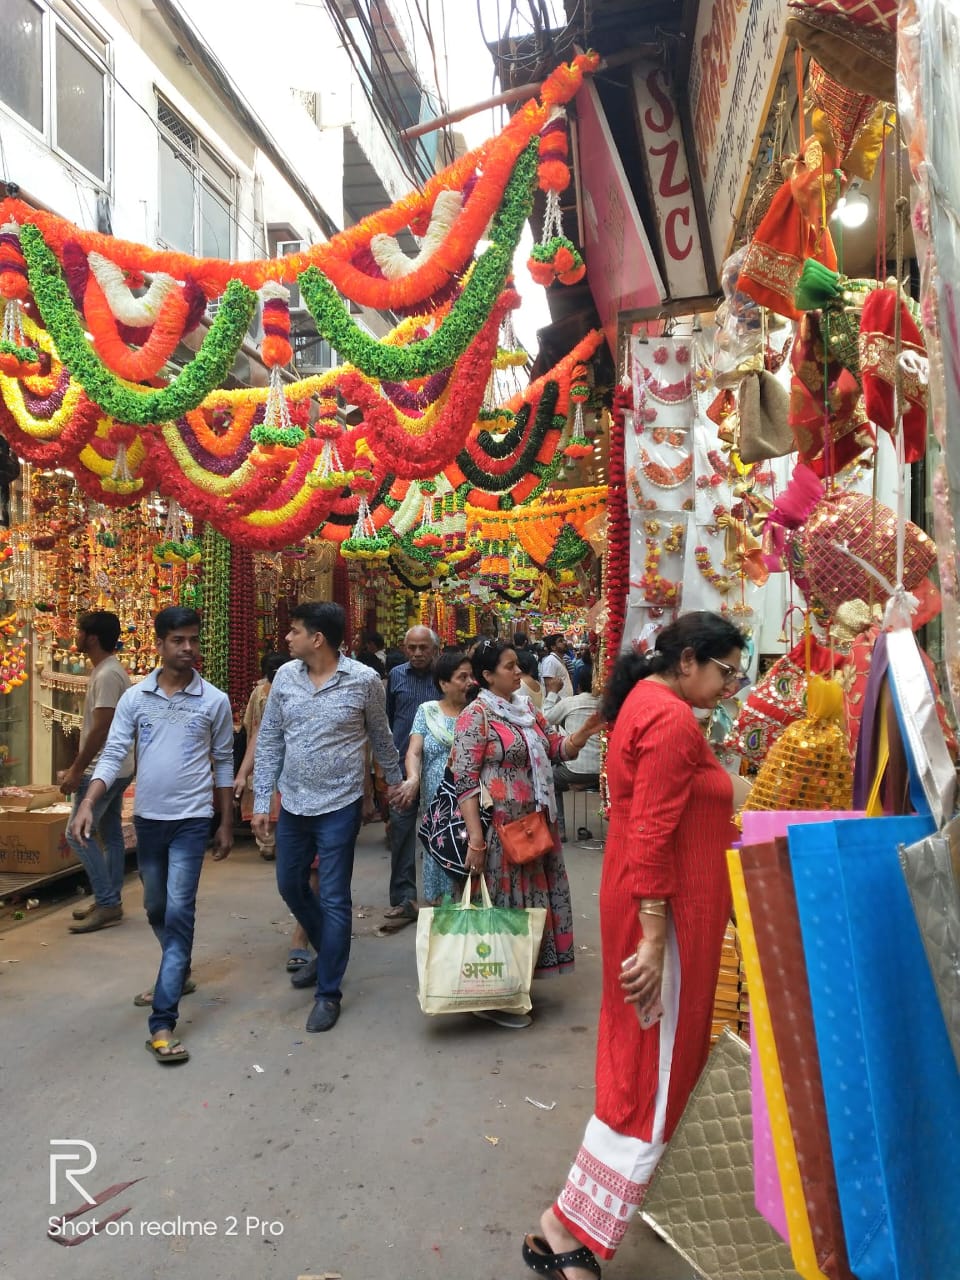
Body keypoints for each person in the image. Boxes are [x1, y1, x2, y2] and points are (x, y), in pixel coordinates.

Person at [522, 612, 746, 1279]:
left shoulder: (652, 703)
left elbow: (673, 810)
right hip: (664, 917)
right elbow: (650, 833)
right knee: (652, 1074)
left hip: (662, 910)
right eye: (726, 671)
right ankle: (565, 1226)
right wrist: (653, 941)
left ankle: (583, 1216)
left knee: (646, 1064)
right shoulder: (673, 720)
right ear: (687, 661)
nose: (732, 684)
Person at [70, 607, 235, 1066]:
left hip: (191, 821)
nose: (189, 649)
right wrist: (88, 801)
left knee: (180, 911)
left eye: (194, 640)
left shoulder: (213, 701)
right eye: (179, 640)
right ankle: (176, 972)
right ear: (160, 643)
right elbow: (114, 753)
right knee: (154, 906)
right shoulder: (136, 699)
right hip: (149, 821)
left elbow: (222, 763)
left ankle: (162, 1022)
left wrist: (224, 821)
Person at [252, 602, 403, 1033]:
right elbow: (270, 742)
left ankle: (329, 991)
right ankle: (329, 953)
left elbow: (380, 734)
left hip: (340, 804)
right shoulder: (284, 678)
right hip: (294, 803)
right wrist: (263, 799)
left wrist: (393, 784)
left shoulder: (364, 681)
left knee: (335, 896)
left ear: (317, 639)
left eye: (294, 631)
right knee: (290, 884)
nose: (287, 638)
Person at [452, 639, 601, 1029]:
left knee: (531, 906)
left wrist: (585, 730)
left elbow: (556, 748)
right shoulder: (476, 716)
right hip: (501, 829)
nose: (518, 673)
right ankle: (498, 994)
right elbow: (465, 783)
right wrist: (476, 840)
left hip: (535, 826)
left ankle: (516, 986)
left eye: (517, 665)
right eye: (509, 667)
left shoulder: (526, 710)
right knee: (505, 910)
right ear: (487, 676)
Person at [59, 611, 134, 934]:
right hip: (120, 766)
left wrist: (77, 769)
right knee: (111, 833)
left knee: (77, 833)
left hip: (103, 769)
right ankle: (110, 897)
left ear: (90, 637)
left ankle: (106, 902)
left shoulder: (106, 675)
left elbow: (102, 727)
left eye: (78, 630)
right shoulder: (110, 671)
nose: (74, 636)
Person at [394, 650, 473, 905]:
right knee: (440, 853)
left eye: (471, 676)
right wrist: (413, 778)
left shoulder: (477, 712)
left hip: (472, 801)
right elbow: (414, 751)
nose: (470, 682)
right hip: (436, 806)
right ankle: (443, 927)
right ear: (443, 683)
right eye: (463, 677)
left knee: (470, 852)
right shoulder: (427, 711)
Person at [381, 625, 440, 933]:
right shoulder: (397, 677)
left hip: (440, 770)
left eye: (423, 648)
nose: (417, 653)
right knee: (402, 831)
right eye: (412, 647)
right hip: (403, 771)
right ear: (404, 649)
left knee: (439, 833)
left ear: (435, 650)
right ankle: (404, 898)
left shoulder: (444, 677)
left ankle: (439, 897)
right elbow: (387, 722)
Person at [234, 652, 291, 861]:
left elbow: (251, 724)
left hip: (269, 757)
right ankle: (275, 841)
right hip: (275, 757)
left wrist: (242, 771)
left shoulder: (259, 692)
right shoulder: (282, 693)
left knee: (268, 793)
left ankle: (268, 842)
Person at [545, 675, 602, 842]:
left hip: (574, 770)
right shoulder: (608, 703)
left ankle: (560, 830)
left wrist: (552, 693)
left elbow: (544, 719)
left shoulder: (571, 702)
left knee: (549, 780)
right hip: (604, 773)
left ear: (578, 688)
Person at [540, 633, 574, 710]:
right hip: (556, 707)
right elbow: (549, 686)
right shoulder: (550, 661)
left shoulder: (559, 660)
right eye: (560, 641)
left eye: (564, 640)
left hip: (563, 705)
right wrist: (551, 707)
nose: (565, 643)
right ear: (553, 647)